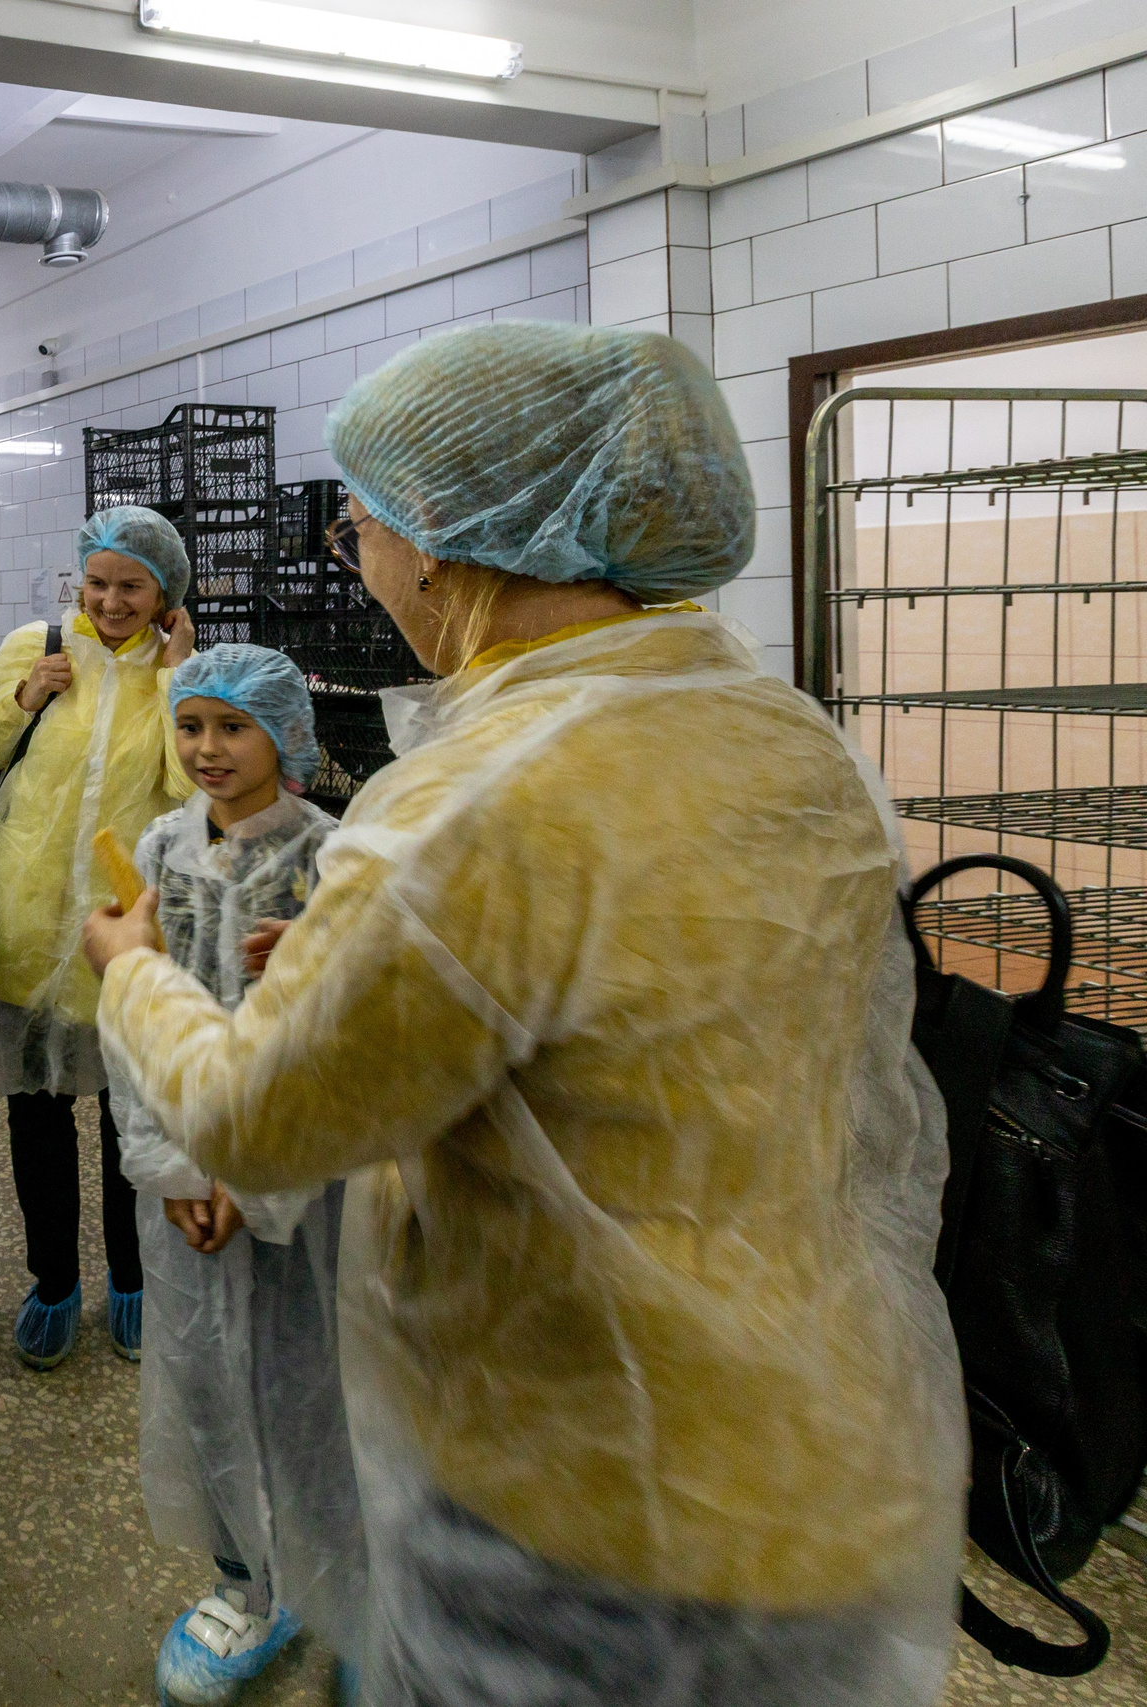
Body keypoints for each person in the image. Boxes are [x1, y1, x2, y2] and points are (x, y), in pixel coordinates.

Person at [84, 321, 964, 1707]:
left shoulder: (469, 794)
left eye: (358, 528)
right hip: (820, 1454)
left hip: (587, 1498)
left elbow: (255, 1118)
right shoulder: (782, 730)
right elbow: (637, 1012)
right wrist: (372, 955)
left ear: (442, 542)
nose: (358, 562)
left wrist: (133, 965)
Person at [108, 646, 363, 1707]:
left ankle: (346, 1586)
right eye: (190, 726)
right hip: (182, 1181)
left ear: (284, 737)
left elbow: (355, 1048)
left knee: (315, 1382)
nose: (206, 750)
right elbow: (131, 1020)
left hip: (303, 1187)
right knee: (208, 1379)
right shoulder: (157, 851)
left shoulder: (337, 860)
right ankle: (244, 1583)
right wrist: (174, 1171)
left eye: (232, 728)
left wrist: (318, 961)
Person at [0, 507, 195, 1370]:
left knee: (130, 1124)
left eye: (132, 585)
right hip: (22, 923)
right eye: (99, 582)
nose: (112, 599)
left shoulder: (176, 674)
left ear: (164, 592)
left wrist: (175, 675)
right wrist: (24, 695)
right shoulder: (37, 642)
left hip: (123, 935)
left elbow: (184, 777)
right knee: (36, 1118)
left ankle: (134, 1279)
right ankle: (54, 1281)